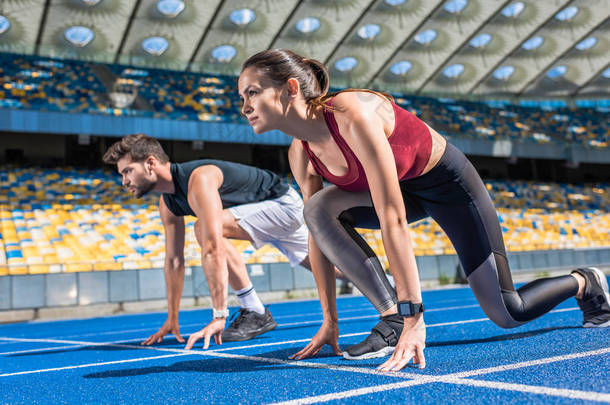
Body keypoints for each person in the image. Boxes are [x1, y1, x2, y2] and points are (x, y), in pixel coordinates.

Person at [236, 49, 610, 371]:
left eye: (252, 92)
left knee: (507, 312)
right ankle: (391, 319)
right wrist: (329, 321)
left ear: (290, 88)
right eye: (241, 97)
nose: (244, 106)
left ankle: (584, 282)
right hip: (403, 191)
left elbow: (392, 218)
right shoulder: (301, 153)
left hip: (448, 187)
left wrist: (416, 315)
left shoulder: (352, 114)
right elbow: (318, 237)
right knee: (316, 209)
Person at [102, 134, 347, 350]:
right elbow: (174, 261)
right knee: (334, 269)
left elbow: (212, 246)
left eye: (127, 171)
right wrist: (172, 318)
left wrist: (219, 315)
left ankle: (255, 310)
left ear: (151, 163)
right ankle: (387, 284)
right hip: (264, 216)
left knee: (204, 227)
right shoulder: (167, 204)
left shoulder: (199, 179)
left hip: (282, 205)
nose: (124, 181)